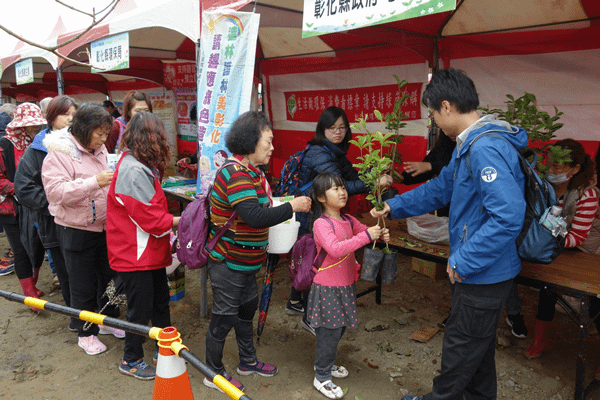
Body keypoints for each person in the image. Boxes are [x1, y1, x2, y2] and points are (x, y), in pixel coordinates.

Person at [371, 69, 527, 400]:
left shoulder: (485, 148)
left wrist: (465, 257)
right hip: (483, 269)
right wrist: (394, 206)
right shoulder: (469, 144)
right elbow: (442, 188)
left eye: (431, 114)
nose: (433, 122)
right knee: (477, 348)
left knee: (459, 348)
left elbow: (508, 216)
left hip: (483, 272)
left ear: (446, 106)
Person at [203, 111, 311, 392]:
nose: (272, 147)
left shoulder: (253, 172)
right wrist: (293, 207)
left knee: (246, 309)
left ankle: (247, 361)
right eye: (269, 140)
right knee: (224, 315)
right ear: (251, 141)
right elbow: (253, 215)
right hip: (228, 261)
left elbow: (262, 207)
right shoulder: (233, 173)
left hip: (247, 260)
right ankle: (211, 371)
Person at [287, 106, 392, 331]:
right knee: (314, 264)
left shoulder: (335, 150)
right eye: (332, 128)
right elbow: (343, 184)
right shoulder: (320, 152)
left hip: (318, 212)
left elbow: (353, 177)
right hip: (312, 215)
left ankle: (294, 302)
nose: (338, 132)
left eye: (342, 127)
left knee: (310, 259)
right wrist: (374, 184)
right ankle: (309, 316)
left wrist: (373, 172)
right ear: (322, 129)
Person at [42, 104, 125, 356]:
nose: (103, 139)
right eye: (98, 133)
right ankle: (86, 333)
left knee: (109, 277)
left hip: (104, 226)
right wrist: (94, 182)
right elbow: (56, 193)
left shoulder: (100, 148)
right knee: (83, 284)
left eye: (105, 134)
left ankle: (109, 321)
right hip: (76, 229)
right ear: (82, 129)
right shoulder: (59, 152)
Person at [107, 112, 180, 380]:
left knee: (160, 300)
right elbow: (151, 220)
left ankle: (164, 347)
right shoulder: (132, 170)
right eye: (160, 138)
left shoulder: (138, 164)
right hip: (134, 253)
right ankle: (131, 358)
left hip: (148, 251)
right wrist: (184, 221)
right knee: (139, 308)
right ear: (150, 139)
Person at [307, 172, 388, 399]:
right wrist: (366, 236)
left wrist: (379, 233)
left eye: (343, 187)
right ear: (321, 198)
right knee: (329, 333)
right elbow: (335, 249)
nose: (342, 192)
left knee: (338, 328)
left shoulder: (348, 220)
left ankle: (325, 364)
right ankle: (321, 376)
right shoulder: (321, 224)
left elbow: (365, 232)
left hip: (344, 285)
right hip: (327, 287)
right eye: (335, 189)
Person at [525, 138, 599, 359]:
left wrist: (544, 242)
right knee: (547, 288)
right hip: (555, 244)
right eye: (549, 162)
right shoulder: (544, 186)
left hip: (583, 251)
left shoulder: (587, 194)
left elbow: (577, 237)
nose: (551, 169)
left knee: (592, 297)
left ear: (575, 168)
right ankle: (541, 340)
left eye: (558, 165)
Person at [14, 96, 77, 321]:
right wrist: (55, 202)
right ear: (51, 118)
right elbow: (23, 188)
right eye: (64, 114)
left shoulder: (81, 143)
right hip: (53, 221)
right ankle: (76, 319)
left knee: (83, 269)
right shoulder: (37, 150)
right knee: (66, 271)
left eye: (73, 113)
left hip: (81, 220)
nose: (70, 118)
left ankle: (91, 315)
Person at [0, 103, 47, 300]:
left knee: (37, 247)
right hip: (12, 208)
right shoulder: (4, 145)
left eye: (37, 123)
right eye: (30, 124)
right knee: (20, 249)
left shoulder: (37, 143)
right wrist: (18, 189)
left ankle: (32, 285)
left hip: (35, 205)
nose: (35, 127)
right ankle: (29, 295)